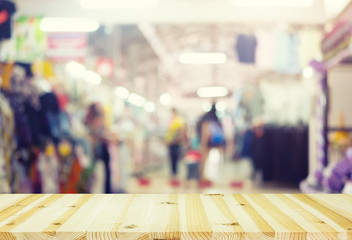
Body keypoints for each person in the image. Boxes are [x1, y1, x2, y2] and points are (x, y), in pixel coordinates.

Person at [84, 102, 118, 193]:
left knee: (103, 177)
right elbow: (96, 134)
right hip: (97, 153)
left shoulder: (97, 120)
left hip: (102, 152)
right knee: (97, 178)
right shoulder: (93, 121)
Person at [197, 103, 226, 186]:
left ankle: (201, 177)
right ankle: (201, 177)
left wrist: (203, 143)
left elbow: (204, 132)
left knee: (203, 160)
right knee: (203, 160)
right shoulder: (213, 118)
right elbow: (205, 131)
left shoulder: (206, 117)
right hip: (210, 142)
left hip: (208, 142)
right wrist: (204, 143)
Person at [165, 108, 186, 186]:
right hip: (170, 142)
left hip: (177, 142)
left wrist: (179, 139)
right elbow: (168, 132)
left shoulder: (179, 120)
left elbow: (182, 131)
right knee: (171, 157)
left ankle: (176, 173)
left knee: (176, 157)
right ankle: (173, 172)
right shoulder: (170, 120)